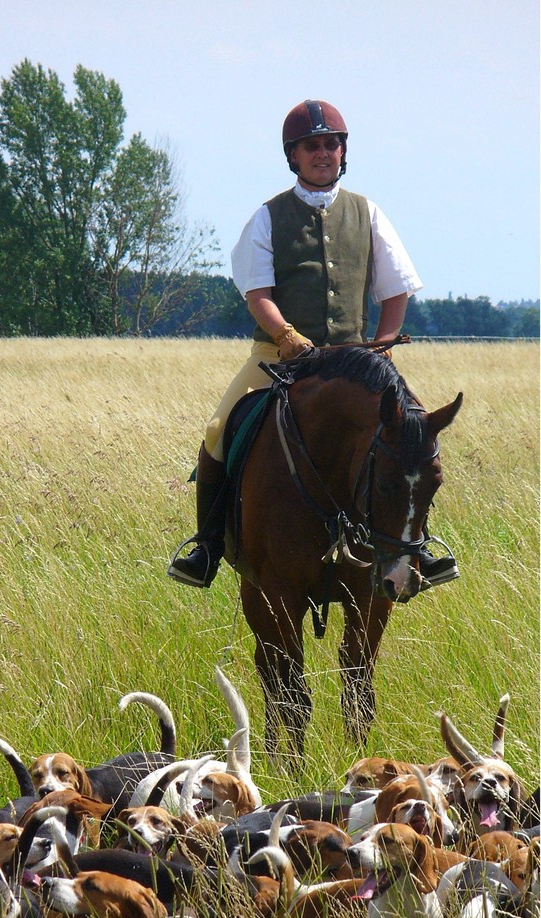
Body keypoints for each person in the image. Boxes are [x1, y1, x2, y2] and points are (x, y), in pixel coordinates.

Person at [167, 99, 459, 591]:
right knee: (218, 429)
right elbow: (257, 294)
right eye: (311, 146)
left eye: (331, 144)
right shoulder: (267, 217)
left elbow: (396, 290)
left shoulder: (368, 213)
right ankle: (207, 546)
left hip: (355, 365)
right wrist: (286, 337)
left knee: (411, 437)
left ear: (342, 152)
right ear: (294, 156)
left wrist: (383, 345)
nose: (323, 153)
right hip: (278, 356)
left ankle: (418, 548)